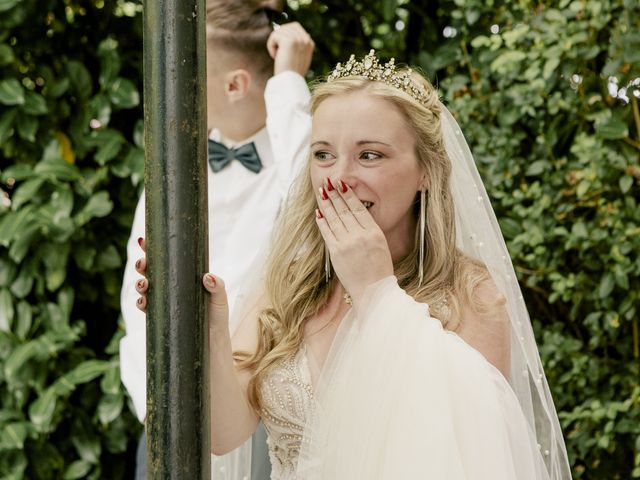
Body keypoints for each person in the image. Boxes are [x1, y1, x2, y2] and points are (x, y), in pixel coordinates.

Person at [137, 51, 572, 479]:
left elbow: (476, 452)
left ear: (426, 172)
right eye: (323, 154)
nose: (339, 178)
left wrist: (375, 291)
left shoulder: (470, 293)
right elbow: (223, 434)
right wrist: (212, 327)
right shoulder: (288, 284)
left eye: (370, 155)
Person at [120, 1, 315, 479]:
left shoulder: (297, 162)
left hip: (263, 424)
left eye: (186, 74)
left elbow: (310, 207)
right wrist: (154, 404)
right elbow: (134, 295)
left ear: (234, 84)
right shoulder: (168, 168)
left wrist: (289, 80)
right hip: (164, 421)